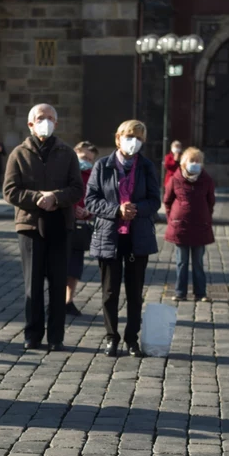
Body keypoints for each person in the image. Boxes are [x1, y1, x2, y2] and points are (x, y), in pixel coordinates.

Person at [3, 103, 85, 352]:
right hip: (29, 225)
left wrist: (56, 198)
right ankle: (33, 334)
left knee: (58, 282)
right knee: (33, 283)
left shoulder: (67, 153)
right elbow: (10, 190)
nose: (45, 121)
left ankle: (56, 336)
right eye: (41, 117)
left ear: (56, 124)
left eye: (50, 118)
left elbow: (77, 189)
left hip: (61, 224)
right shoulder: (18, 153)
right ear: (30, 123)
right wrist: (37, 197)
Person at [87, 120, 161, 358]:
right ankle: (111, 337)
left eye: (138, 137)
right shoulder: (102, 165)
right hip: (109, 235)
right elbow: (91, 200)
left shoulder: (147, 166)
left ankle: (131, 338)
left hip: (137, 237)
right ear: (118, 138)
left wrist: (136, 208)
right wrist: (116, 210)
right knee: (110, 292)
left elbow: (154, 200)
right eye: (129, 136)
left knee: (134, 292)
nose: (133, 141)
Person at [164, 146, 216, 302]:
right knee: (182, 262)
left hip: (200, 227)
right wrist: (172, 219)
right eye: (191, 160)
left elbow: (210, 202)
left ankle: (200, 293)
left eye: (198, 161)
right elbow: (167, 201)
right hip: (180, 227)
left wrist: (206, 217)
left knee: (198, 262)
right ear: (183, 163)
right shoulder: (175, 179)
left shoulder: (206, 180)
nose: (195, 163)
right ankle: (180, 292)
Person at [67, 141, 98, 316]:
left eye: (90, 159)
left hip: (81, 227)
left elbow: (96, 200)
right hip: (63, 224)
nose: (86, 161)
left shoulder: (93, 175)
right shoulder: (66, 171)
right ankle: (55, 300)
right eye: (83, 157)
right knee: (58, 266)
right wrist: (72, 209)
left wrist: (88, 212)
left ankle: (68, 301)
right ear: (75, 153)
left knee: (75, 268)